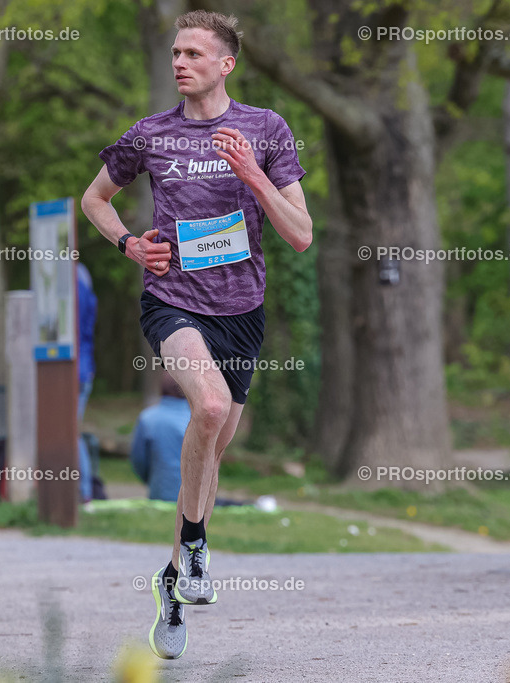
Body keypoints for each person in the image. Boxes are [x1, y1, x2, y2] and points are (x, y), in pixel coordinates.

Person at [81, 10, 312, 659]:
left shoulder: (265, 129)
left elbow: (300, 233)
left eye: (194, 53)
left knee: (211, 450)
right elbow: (93, 199)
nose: (180, 62)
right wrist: (128, 243)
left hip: (242, 309)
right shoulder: (150, 135)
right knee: (206, 407)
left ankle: (173, 577)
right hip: (172, 300)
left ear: (225, 64)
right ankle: (199, 547)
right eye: (176, 52)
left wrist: (254, 177)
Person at [130, 373, 191, 502]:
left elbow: (138, 459)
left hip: (159, 493)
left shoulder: (147, 418)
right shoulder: (197, 420)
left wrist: (151, 479)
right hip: (194, 497)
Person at [76, 262, 98, 503]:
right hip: (84, 366)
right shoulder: (82, 274)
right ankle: (84, 491)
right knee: (73, 430)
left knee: (70, 431)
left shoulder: (64, 278)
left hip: (73, 369)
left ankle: (84, 492)